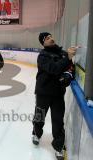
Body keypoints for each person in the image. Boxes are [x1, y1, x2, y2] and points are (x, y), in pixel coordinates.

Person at [32, 32, 76, 160]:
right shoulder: (42, 56)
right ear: (43, 43)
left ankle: (58, 146)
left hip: (58, 93)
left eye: (51, 36)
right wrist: (67, 58)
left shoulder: (62, 53)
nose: (50, 39)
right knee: (39, 115)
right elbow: (55, 68)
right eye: (47, 38)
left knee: (58, 120)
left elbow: (70, 68)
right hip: (43, 92)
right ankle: (36, 133)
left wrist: (68, 76)